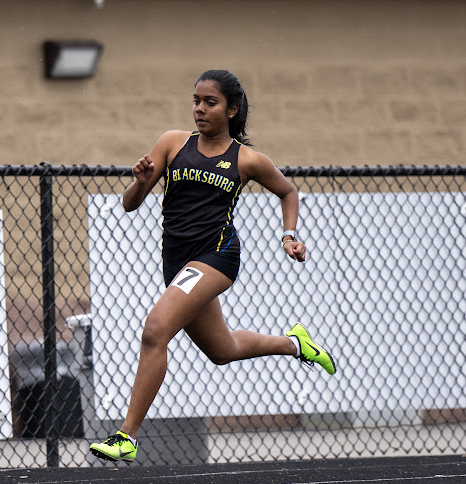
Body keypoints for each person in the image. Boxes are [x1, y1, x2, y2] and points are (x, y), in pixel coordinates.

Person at [89, 70, 336, 463]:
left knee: (155, 329)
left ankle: (126, 437)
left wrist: (289, 235)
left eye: (210, 103)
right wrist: (138, 182)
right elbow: (129, 203)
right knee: (223, 350)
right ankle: (296, 344)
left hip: (217, 257)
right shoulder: (173, 143)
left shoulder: (247, 159)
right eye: (196, 101)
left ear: (231, 110)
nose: (199, 109)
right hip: (178, 265)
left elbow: (287, 191)